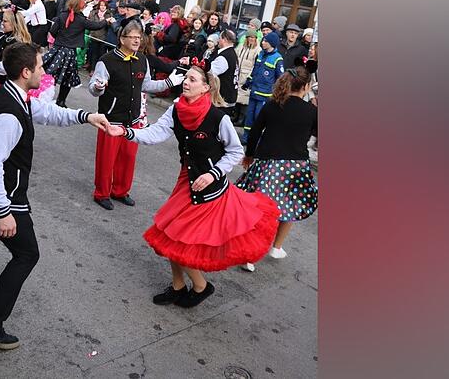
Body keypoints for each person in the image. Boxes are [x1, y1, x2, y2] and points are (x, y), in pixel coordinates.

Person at [0, 43, 111, 349]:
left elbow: (44, 111)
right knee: (27, 254)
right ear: (25, 72)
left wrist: (85, 116)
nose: (44, 71)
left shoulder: (16, 95)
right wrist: (3, 212)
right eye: (40, 67)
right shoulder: (9, 116)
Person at [105, 66, 279, 307]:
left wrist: (212, 173)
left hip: (209, 190)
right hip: (186, 181)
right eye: (186, 78)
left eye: (192, 79)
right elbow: (155, 133)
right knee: (169, 236)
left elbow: (235, 151)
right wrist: (125, 131)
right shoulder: (176, 109)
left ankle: (201, 286)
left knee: (179, 241)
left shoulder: (219, 118)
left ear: (205, 88)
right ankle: (178, 286)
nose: (186, 82)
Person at [87, 20, 184, 210]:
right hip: (111, 118)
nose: (137, 41)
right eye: (132, 37)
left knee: (128, 158)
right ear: (122, 39)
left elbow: (146, 85)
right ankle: (102, 193)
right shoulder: (106, 61)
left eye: (139, 37)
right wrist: (98, 87)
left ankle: (120, 191)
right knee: (107, 160)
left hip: (133, 120)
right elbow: (94, 87)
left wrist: (169, 83)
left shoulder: (142, 60)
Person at [236, 66, 318, 271]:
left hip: (267, 163)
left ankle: (250, 255)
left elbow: (255, 131)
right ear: (307, 86)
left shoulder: (273, 105)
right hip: (295, 166)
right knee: (291, 205)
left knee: (261, 209)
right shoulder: (311, 111)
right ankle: (277, 246)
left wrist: (249, 155)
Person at [42, 0, 107, 107]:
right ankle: (61, 101)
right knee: (68, 78)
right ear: (80, 7)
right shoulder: (81, 20)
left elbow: (52, 31)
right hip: (70, 52)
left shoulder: (62, 16)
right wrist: (106, 21)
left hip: (57, 49)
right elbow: (96, 26)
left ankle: (43, 96)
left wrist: (61, 38)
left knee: (48, 72)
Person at [242, 31, 285, 143]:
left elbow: (280, 78)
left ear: (272, 43)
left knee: (259, 117)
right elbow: (255, 70)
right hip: (254, 91)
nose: (263, 42)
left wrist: (278, 93)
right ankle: (246, 137)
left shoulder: (277, 58)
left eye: (265, 41)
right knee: (249, 115)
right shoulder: (260, 54)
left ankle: (258, 139)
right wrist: (248, 81)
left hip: (265, 95)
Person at [233, 30, 261, 126]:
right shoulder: (241, 47)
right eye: (249, 37)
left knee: (245, 98)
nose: (251, 39)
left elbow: (256, 65)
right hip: (238, 74)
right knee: (237, 96)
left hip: (247, 76)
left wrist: (250, 76)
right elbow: (235, 58)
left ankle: (242, 119)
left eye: (253, 37)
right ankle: (235, 116)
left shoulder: (258, 50)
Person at [86, 0, 115, 72]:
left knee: (101, 54)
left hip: (103, 37)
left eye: (104, 5)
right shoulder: (94, 12)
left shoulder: (109, 14)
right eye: (101, 5)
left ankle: (98, 70)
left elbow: (110, 26)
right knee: (93, 54)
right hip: (94, 36)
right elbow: (91, 23)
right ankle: (92, 69)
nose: (102, 7)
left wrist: (106, 22)